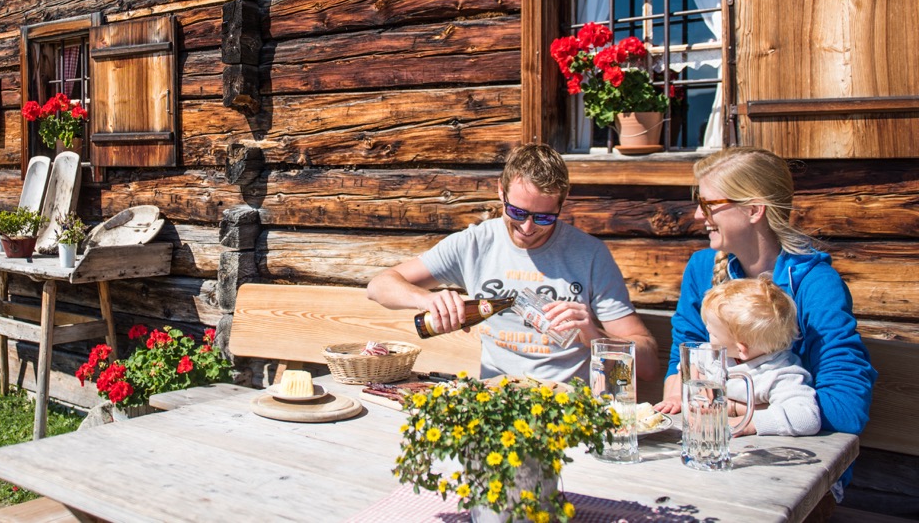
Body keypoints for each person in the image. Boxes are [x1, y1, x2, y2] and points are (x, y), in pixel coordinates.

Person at [366, 143, 658, 387]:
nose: (528, 228)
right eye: (517, 212)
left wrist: (594, 336)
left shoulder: (590, 255)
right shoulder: (475, 243)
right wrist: (427, 299)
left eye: (544, 218)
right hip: (498, 406)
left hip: (569, 410)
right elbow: (378, 287)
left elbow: (647, 367)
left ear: (562, 202)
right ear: (500, 192)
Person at [656, 146, 875, 439]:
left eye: (708, 204)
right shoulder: (702, 268)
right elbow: (683, 364)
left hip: (798, 458)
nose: (697, 214)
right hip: (717, 443)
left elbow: (846, 409)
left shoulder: (815, 284)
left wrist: (733, 408)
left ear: (754, 210)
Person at [700, 275, 820, 436]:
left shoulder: (777, 375)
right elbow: (693, 362)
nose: (707, 334)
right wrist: (701, 386)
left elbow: (807, 418)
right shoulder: (715, 355)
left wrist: (751, 423)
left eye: (713, 334)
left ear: (741, 349)